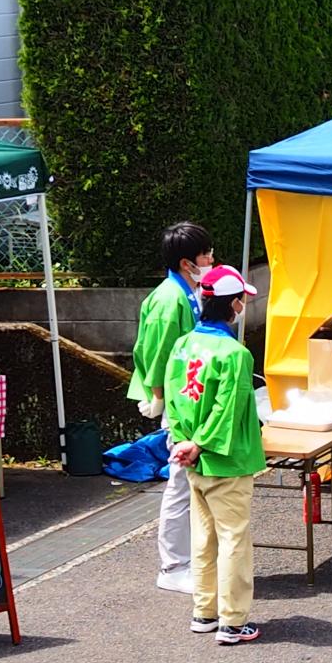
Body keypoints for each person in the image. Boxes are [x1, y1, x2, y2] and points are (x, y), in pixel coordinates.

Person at [165, 266, 264, 645]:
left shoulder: (183, 345)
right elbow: (228, 407)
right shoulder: (235, 354)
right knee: (233, 539)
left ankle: (205, 612)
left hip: (192, 458)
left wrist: (184, 441)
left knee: (203, 539)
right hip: (226, 459)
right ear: (234, 304)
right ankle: (233, 621)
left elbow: (174, 399)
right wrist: (202, 443)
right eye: (242, 300)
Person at [127, 221, 215, 595]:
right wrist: (158, 395)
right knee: (180, 484)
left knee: (193, 484)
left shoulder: (190, 290)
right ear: (186, 262)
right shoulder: (170, 299)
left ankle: (189, 559)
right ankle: (173, 564)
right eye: (205, 255)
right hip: (179, 403)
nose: (211, 259)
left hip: (192, 398)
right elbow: (157, 352)